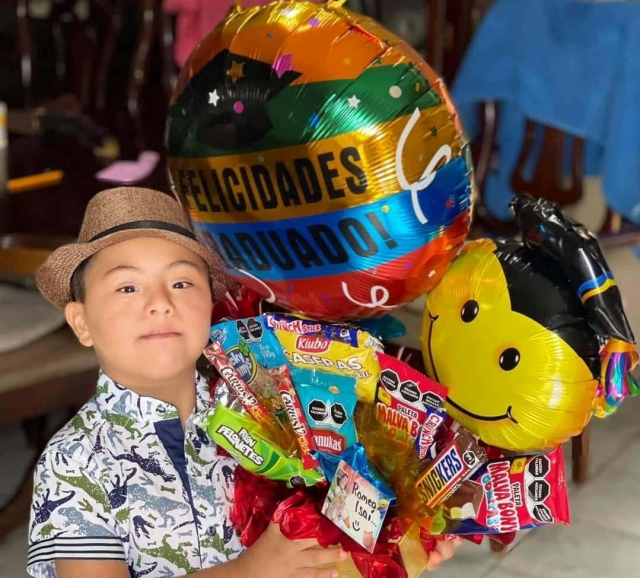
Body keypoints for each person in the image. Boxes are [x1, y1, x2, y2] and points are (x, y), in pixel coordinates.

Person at [28, 186, 461, 578]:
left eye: (181, 282)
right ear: (81, 322)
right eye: (127, 288)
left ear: (210, 309)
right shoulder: (73, 460)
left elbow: (319, 541)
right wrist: (251, 571)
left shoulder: (266, 416)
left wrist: (398, 537)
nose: (160, 303)